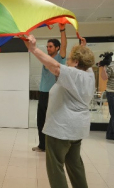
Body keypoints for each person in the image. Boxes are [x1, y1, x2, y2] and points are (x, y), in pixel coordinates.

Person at [24, 34, 95, 188]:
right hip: (77, 130)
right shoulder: (90, 74)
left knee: (55, 168)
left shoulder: (73, 74)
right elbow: (85, 63)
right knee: (75, 165)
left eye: (69, 59)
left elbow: (55, 67)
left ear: (76, 62)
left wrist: (34, 49)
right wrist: (83, 49)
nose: (66, 62)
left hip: (61, 129)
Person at [32, 24, 67, 152]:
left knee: (53, 121)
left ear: (57, 48)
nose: (48, 48)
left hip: (54, 94)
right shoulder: (46, 59)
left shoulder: (60, 58)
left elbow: (64, 45)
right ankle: (42, 145)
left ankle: (54, 147)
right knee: (41, 120)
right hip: (43, 93)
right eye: (47, 46)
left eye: (50, 46)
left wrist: (62, 29)